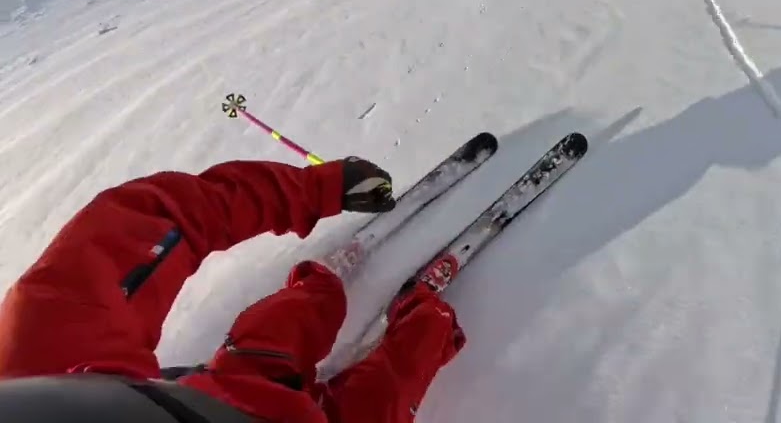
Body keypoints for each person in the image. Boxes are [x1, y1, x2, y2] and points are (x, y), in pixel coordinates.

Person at [0, 156, 466, 422]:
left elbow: (155, 219)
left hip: (228, 393)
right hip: (224, 399)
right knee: (385, 389)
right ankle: (427, 319)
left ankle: (322, 285)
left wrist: (311, 191)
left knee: (275, 337)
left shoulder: (43, 345)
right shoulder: (44, 359)